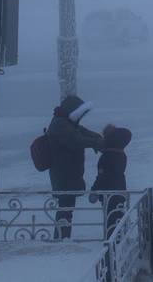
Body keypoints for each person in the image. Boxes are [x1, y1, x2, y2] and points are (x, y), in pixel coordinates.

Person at [47, 95, 102, 239]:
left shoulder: (66, 122)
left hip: (67, 173)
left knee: (66, 208)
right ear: (73, 111)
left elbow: (82, 131)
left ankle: (62, 237)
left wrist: (96, 137)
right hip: (64, 175)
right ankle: (61, 238)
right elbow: (76, 140)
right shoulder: (61, 125)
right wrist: (95, 143)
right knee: (65, 209)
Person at [90, 124, 133, 238]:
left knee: (111, 220)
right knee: (118, 217)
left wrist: (94, 190)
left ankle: (112, 245)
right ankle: (119, 240)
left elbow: (102, 177)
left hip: (109, 193)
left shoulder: (107, 156)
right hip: (120, 191)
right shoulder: (120, 154)